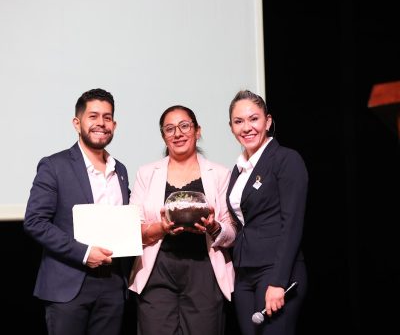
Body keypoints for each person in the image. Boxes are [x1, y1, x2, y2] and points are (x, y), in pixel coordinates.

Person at [24, 88, 134, 335]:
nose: (101, 123)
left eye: (107, 117)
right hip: (68, 284)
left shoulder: (121, 170)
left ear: (114, 125)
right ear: (77, 123)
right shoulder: (54, 165)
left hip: (113, 283)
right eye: (93, 116)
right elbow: (35, 221)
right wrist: (84, 253)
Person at [128, 105, 236, 335]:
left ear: (198, 131)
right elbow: (131, 228)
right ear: (163, 136)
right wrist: (161, 228)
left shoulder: (219, 173)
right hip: (158, 268)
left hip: (204, 270)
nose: (177, 133)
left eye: (184, 126)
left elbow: (232, 232)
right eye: (169, 129)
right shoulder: (147, 173)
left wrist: (214, 227)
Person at [226, 90, 308, 335]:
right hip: (244, 275)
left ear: (268, 121)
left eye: (254, 119)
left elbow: (292, 225)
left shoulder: (286, 159)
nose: (247, 127)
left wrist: (278, 282)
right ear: (231, 127)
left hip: (276, 271)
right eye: (239, 121)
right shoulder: (238, 170)